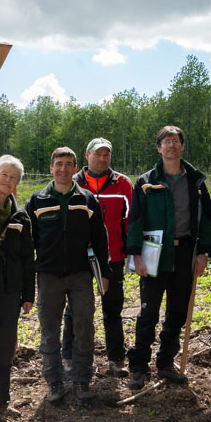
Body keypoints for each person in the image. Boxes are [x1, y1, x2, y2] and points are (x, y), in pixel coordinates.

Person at [126, 126, 211, 389]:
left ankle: (165, 362)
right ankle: (139, 366)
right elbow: (135, 221)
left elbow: (207, 219)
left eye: (175, 141)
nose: (171, 146)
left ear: (182, 146)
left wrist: (203, 252)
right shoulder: (145, 182)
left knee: (177, 312)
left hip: (185, 252)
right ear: (159, 148)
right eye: (166, 142)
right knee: (148, 312)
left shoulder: (195, 181)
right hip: (154, 253)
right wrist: (136, 256)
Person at [26, 147, 110, 405]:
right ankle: (54, 381)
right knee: (50, 330)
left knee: (84, 325)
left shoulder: (87, 200)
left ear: (76, 168)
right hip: (48, 276)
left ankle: (82, 380)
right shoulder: (37, 201)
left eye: (69, 164)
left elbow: (99, 239)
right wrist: (28, 282)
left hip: (80, 275)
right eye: (58, 163)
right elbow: (28, 245)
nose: (63, 168)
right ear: (51, 167)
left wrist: (104, 274)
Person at [62, 137, 133, 377]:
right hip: (77, 260)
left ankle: (115, 359)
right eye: (97, 154)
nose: (102, 159)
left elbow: (129, 222)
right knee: (75, 311)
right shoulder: (72, 183)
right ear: (87, 155)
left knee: (112, 309)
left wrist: (126, 253)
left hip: (112, 258)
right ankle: (70, 358)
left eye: (106, 155)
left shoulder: (123, 184)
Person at [0, 155, 35, 412]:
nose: (7, 180)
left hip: (11, 291)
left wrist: (28, 293)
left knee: (6, 344)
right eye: (3, 174)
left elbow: (28, 258)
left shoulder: (20, 216)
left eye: (13, 177)